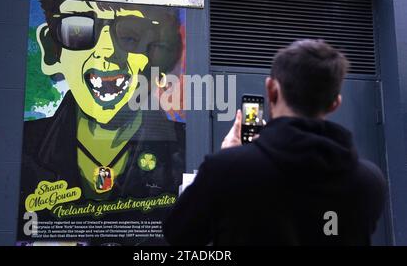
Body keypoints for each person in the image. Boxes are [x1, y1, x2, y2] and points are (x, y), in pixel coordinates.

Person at [163, 39, 387, 245]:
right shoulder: (369, 181)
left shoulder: (226, 170)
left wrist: (224, 160)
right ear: (335, 103)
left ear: (271, 90)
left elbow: (179, 235)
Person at [17, 0, 185, 245]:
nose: (106, 51)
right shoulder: (22, 149)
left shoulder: (185, 150)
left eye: (131, 36)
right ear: (52, 50)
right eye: (79, 30)